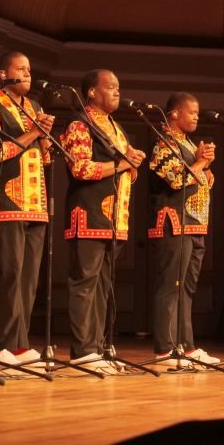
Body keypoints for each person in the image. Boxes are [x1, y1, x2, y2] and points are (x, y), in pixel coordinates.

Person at [60, 69, 146, 367]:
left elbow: (125, 172)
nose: (117, 91)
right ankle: (83, 351)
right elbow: (80, 168)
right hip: (89, 214)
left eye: (118, 86)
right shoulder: (80, 124)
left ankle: (97, 347)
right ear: (92, 92)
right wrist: (122, 163)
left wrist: (131, 164)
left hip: (114, 219)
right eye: (110, 87)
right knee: (85, 285)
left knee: (103, 287)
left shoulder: (115, 127)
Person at [0, 52, 54, 365]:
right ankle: (3, 344)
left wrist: (45, 138)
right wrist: (34, 132)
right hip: (7, 199)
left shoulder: (34, 106)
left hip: (35, 201)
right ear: (2, 73)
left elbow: (45, 156)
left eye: (29, 69)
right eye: (20, 68)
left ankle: (20, 343)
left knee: (29, 278)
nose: (27, 73)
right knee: (9, 273)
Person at [147, 92, 219, 366]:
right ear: (175, 114)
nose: (196, 117)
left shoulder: (188, 144)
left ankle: (186, 346)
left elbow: (205, 181)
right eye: (192, 112)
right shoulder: (163, 143)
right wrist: (200, 163)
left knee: (187, 288)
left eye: (198, 113)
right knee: (170, 286)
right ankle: (165, 348)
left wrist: (206, 165)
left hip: (195, 223)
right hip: (174, 222)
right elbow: (176, 180)